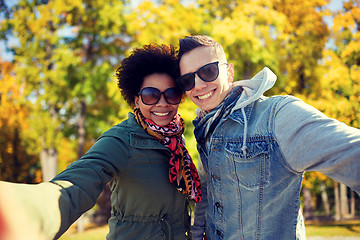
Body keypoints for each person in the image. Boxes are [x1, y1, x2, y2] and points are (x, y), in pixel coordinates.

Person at [0, 43, 201, 240]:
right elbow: (75, 185)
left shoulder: (176, 141)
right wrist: (18, 212)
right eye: (151, 95)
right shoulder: (121, 140)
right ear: (136, 99)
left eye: (172, 94)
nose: (162, 103)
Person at [176, 35, 360, 240]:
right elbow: (207, 194)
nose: (199, 85)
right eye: (187, 80)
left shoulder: (276, 115)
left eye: (208, 71)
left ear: (229, 73)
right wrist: (196, 231)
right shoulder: (206, 128)